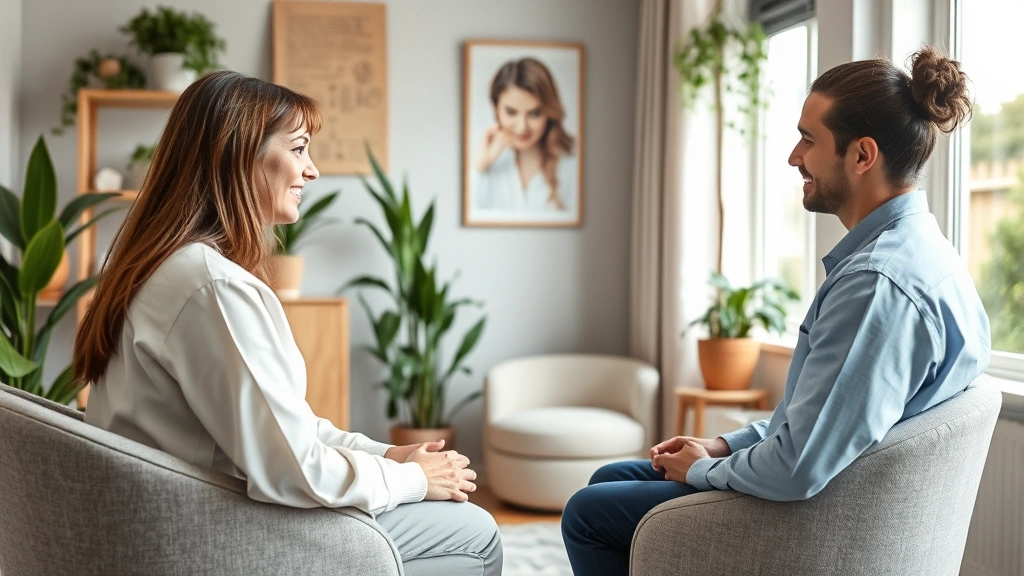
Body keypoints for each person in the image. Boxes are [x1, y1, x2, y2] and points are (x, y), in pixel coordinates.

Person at [561, 46, 989, 575]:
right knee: (611, 480)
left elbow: (798, 465)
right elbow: (825, 421)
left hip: (812, 520)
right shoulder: (924, 252)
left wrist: (701, 471)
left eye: (809, 140)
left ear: (862, 156)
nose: (793, 156)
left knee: (587, 514)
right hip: (830, 489)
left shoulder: (876, 287)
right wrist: (721, 445)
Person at [73, 71, 502, 576]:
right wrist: (412, 479)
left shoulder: (165, 268)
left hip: (167, 514)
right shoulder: (212, 288)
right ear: (238, 155)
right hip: (208, 528)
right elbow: (293, 469)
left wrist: (389, 453)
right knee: (474, 532)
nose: (312, 170)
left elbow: (286, 427)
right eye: (298, 149)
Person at [472, 57, 578, 214]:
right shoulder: (485, 167)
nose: (522, 127)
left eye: (534, 113)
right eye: (511, 112)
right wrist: (481, 166)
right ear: (496, 109)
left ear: (549, 112)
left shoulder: (572, 164)